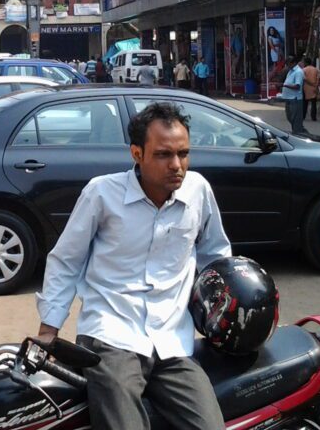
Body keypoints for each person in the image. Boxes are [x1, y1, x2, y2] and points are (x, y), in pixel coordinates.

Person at [36, 102, 230, 430]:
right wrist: (48, 329)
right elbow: (66, 261)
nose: (177, 165)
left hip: (173, 343)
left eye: (183, 154)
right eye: (163, 155)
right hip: (110, 337)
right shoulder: (101, 194)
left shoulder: (198, 192)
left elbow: (216, 258)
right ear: (137, 154)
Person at [281, 56, 306, 135]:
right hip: (288, 98)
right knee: (290, 118)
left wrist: (284, 85)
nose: (288, 66)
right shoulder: (290, 71)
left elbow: (297, 86)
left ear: (294, 63)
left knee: (296, 120)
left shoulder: (298, 72)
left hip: (295, 99)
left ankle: (300, 134)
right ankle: (299, 131)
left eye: (289, 64)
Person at [302, 58, 320, 122]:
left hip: (305, 88)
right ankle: (313, 117)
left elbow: (303, 79)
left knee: (304, 103)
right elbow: (318, 79)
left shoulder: (304, 70)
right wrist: (315, 85)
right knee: (313, 103)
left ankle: (303, 116)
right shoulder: (316, 70)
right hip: (313, 88)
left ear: (306, 63)